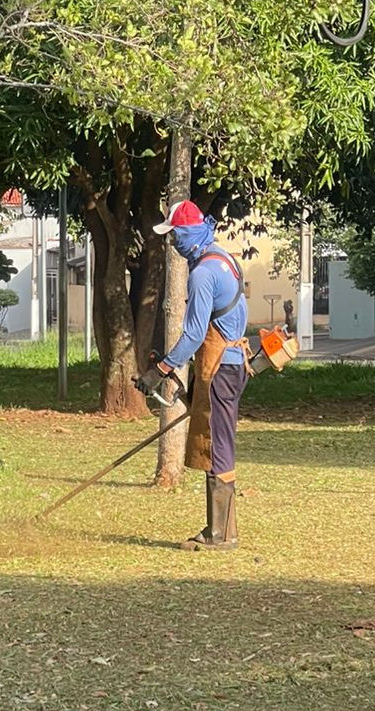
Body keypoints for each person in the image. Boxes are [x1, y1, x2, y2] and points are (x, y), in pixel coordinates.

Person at [136, 200, 249, 551]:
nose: (172, 244)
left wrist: (161, 370)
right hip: (231, 362)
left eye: (174, 236)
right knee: (220, 440)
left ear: (186, 233)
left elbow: (194, 335)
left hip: (220, 365)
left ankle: (219, 535)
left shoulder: (202, 274)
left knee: (216, 443)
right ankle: (222, 531)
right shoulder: (225, 258)